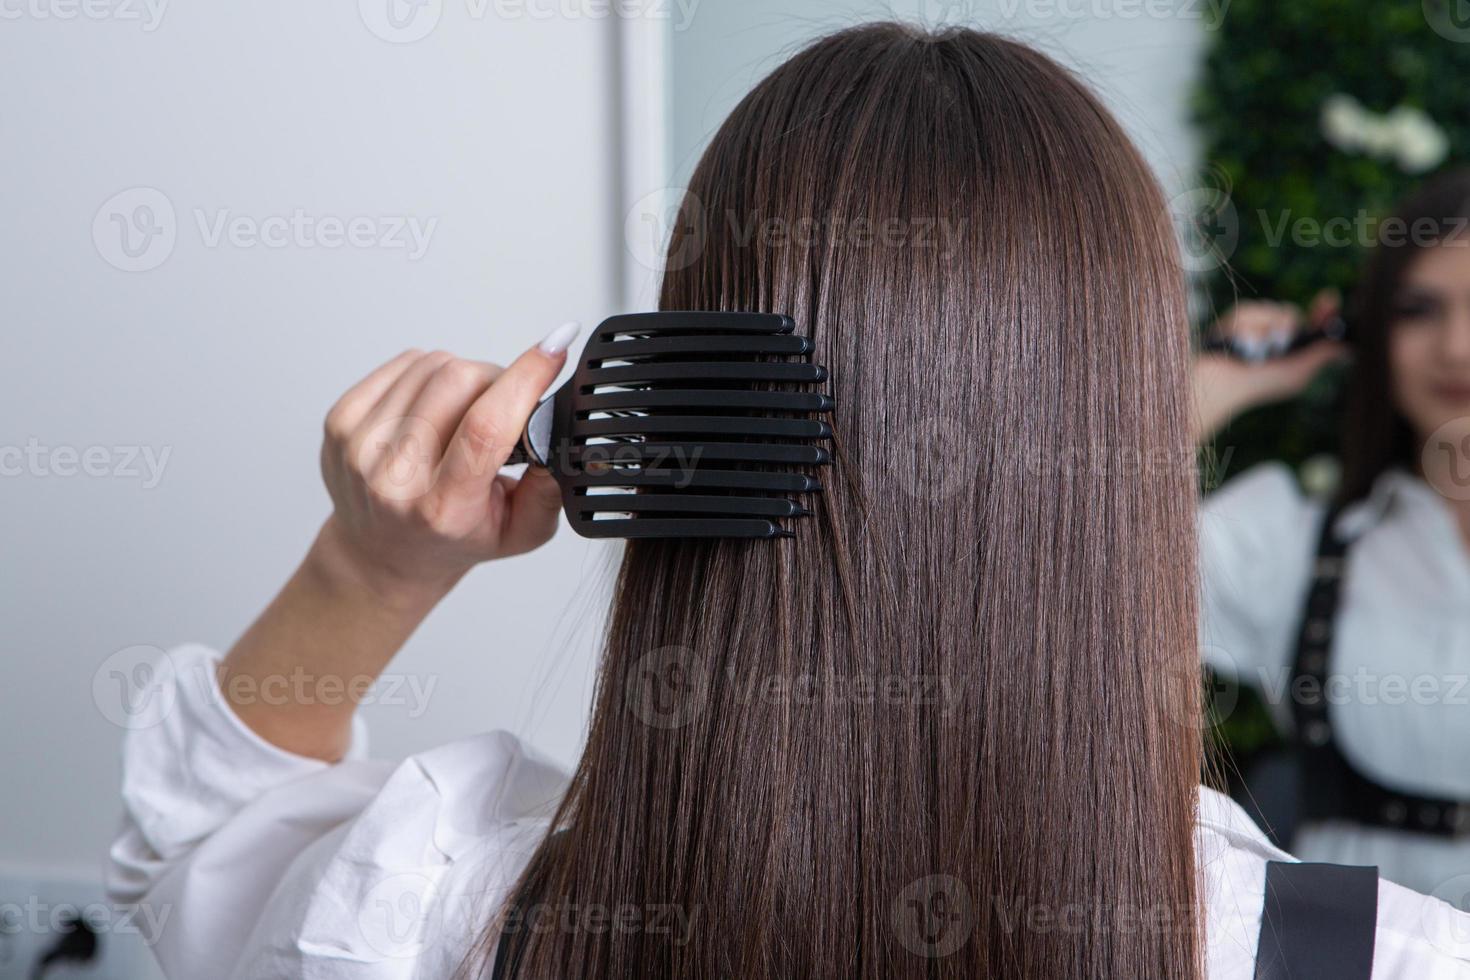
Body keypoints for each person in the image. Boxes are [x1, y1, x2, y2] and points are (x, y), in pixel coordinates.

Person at [108, 24, 1470, 979]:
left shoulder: (427, 916)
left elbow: (195, 864)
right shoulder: (1381, 959)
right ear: (1110, 460)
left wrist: (369, 569)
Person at [1195, 171, 1470, 905]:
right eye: (1419, 309)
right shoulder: (1289, 541)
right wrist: (1210, 386)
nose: (1456, 345)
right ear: (1373, 332)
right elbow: (1049, 580)